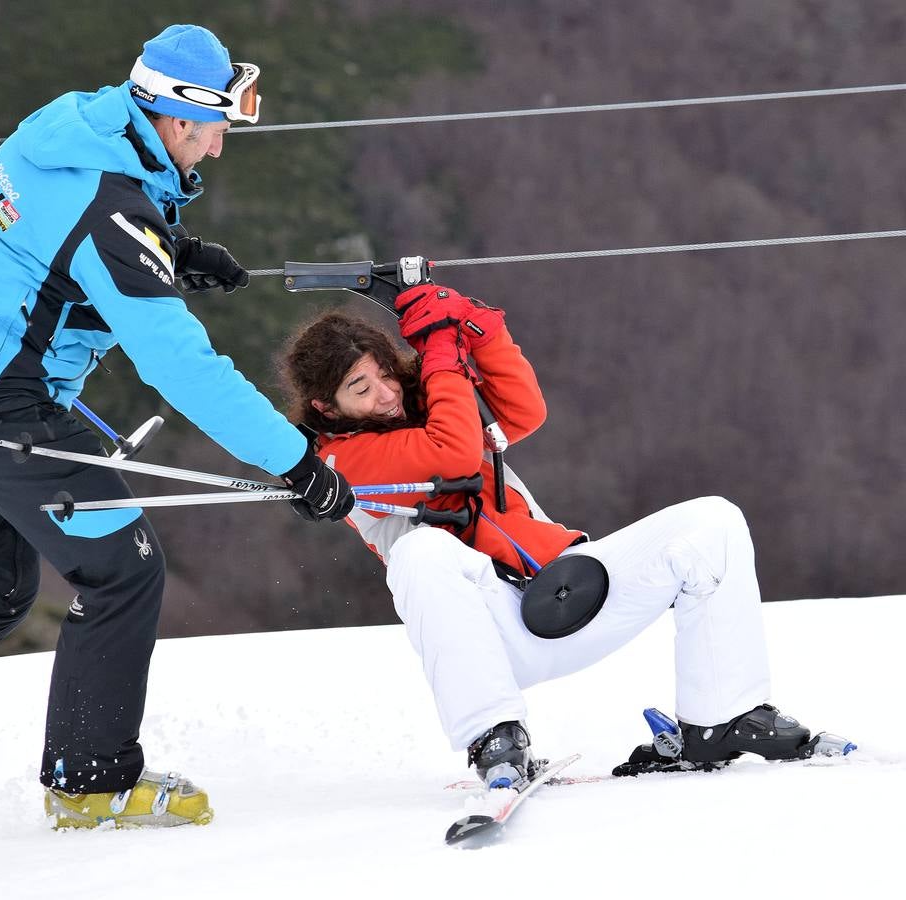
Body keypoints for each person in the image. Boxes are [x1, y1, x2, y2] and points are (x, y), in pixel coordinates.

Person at [0, 24, 354, 831]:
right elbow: (181, 366)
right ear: (178, 117)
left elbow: (56, 230)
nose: (224, 143)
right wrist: (296, 461)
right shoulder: (111, 212)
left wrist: (173, 247)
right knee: (121, 572)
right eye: (221, 121)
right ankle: (92, 783)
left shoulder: (78, 124)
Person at [281, 285, 824, 788]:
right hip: (491, 636)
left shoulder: (433, 404)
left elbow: (524, 411)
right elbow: (450, 453)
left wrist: (470, 323)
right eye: (360, 388)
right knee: (420, 551)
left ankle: (721, 720)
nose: (385, 395)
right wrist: (441, 354)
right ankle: (495, 737)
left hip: (570, 588)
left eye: (385, 375)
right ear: (327, 408)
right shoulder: (338, 460)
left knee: (713, 521)